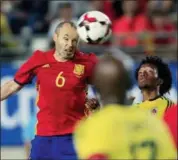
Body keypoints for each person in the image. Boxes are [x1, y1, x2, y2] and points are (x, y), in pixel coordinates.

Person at [0, 21, 99, 160]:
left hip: (75, 137)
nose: (70, 44)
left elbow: (106, 85)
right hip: (44, 137)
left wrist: (99, 104)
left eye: (74, 41)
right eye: (66, 39)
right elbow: (12, 85)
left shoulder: (87, 63)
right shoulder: (39, 59)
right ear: (55, 37)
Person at [74, 55, 176, 160]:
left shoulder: (90, 126)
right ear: (129, 83)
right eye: (140, 72)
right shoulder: (152, 121)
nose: (143, 75)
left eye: (149, 72)